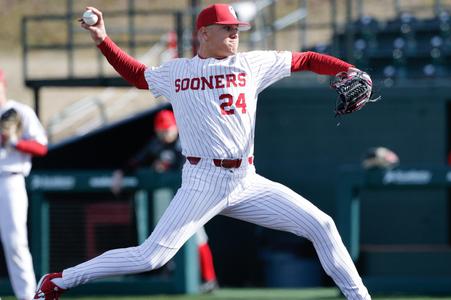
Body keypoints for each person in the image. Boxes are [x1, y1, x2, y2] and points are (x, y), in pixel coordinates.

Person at [34, 4, 371, 300]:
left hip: (246, 180)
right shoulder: (178, 71)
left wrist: (347, 70)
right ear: (204, 33)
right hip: (202, 180)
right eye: (227, 29)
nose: (235, 34)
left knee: (322, 225)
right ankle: (59, 281)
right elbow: (137, 75)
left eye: (237, 29)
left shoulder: (252, 64)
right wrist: (102, 40)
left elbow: (307, 59)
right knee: (151, 257)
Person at [110, 109, 218, 293]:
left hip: (195, 197)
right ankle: (172, 275)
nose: (164, 134)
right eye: (161, 130)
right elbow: (138, 160)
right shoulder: (157, 144)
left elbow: (183, 165)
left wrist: (164, 167)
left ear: (175, 127)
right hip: (171, 200)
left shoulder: (185, 140)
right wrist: (121, 172)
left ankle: (209, 279)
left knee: (198, 237)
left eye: (167, 130)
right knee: (167, 238)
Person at [0, 68, 48, 300]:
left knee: (15, 243)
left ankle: (28, 297)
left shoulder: (19, 111)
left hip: (10, 180)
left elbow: (41, 147)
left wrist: (15, 142)